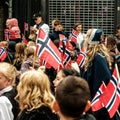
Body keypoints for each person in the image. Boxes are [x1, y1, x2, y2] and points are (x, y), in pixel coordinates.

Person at [81, 28, 118, 120]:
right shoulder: (94, 56)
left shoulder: (98, 57)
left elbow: (104, 80)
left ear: (90, 39)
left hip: (97, 102)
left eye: (87, 36)